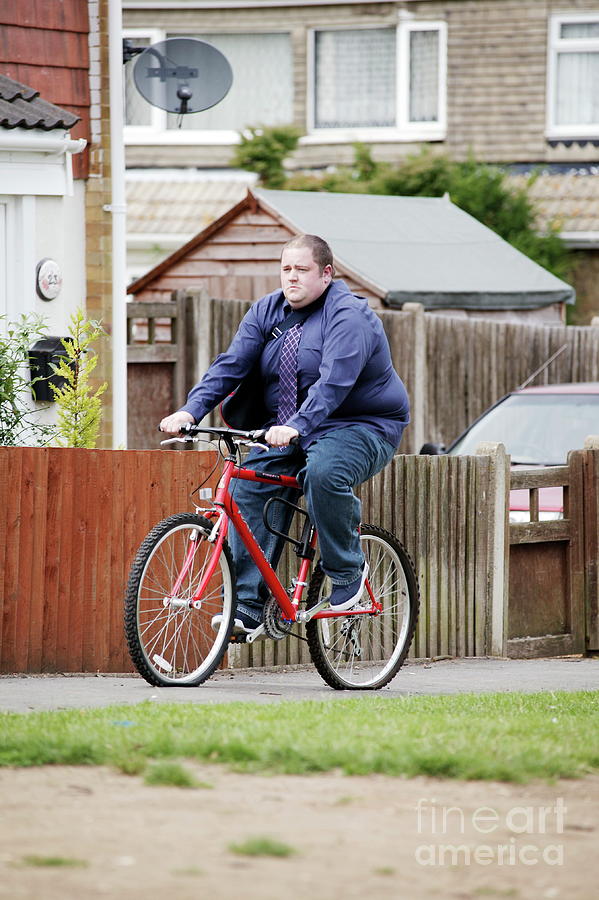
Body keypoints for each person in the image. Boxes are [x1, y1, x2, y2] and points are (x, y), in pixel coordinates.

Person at [160, 234, 410, 634]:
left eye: (302, 270)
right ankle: (248, 606)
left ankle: (348, 573)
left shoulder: (350, 317)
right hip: (290, 428)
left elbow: (334, 383)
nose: (291, 278)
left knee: (325, 473)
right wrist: (190, 410)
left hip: (360, 424)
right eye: (286, 269)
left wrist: (296, 425)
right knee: (248, 487)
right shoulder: (266, 311)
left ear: (326, 274)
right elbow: (231, 365)